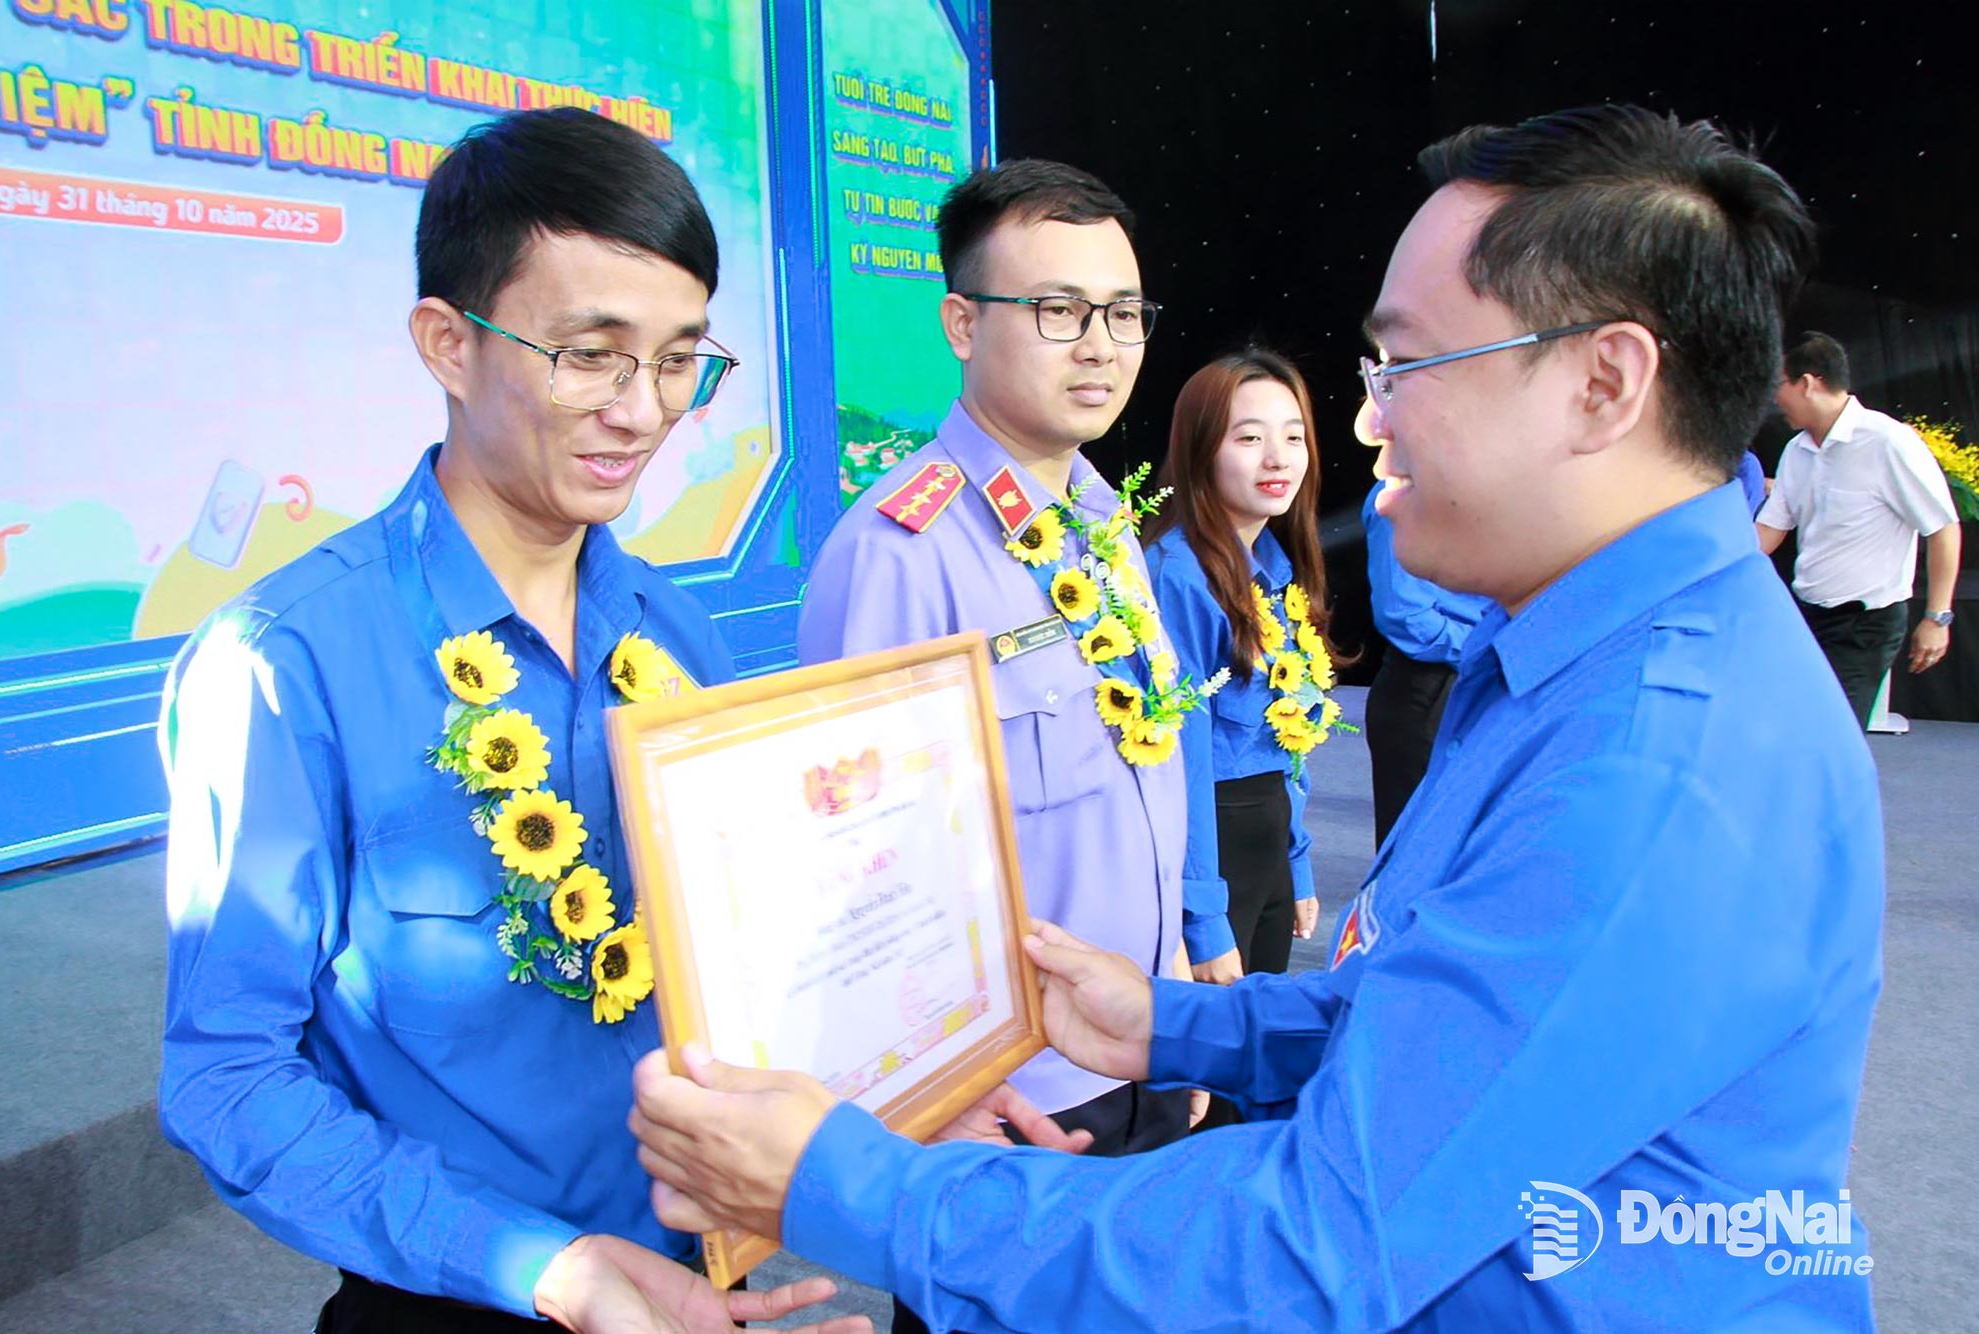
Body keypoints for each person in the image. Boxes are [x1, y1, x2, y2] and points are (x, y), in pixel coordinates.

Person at [630, 104, 1883, 1331]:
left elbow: (1316, 1241)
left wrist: (848, 1186)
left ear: (1601, 382)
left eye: (1404, 366)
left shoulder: (1651, 759)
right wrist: (1176, 1023)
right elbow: (1432, 1023)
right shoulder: (1595, 666)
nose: (1368, 420)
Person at [157, 108, 862, 1334]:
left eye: (678, 359)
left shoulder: (675, 636)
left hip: (701, 1280)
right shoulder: (287, 660)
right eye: (590, 354)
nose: (642, 411)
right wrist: (538, 1262)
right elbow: (226, 1074)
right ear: (447, 342)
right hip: (466, 1294)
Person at [794, 158, 1200, 1332]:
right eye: (1058, 310)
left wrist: (1178, 1008)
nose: (1100, 346)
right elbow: (851, 866)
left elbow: (1139, 784)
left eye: (1122, 312)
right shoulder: (899, 551)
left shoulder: (1103, 523)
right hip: (1012, 1109)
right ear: (962, 325)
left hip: (1141, 1053)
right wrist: (929, 1100)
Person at [1144, 348, 1337, 1000]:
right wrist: (1202, 920)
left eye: (1293, 437)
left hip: (1267, 841)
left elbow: (1286, 737)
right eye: (1250, 438)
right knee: (1210, 1052)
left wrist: (1296, 861)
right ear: (1200, 450)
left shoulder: (1276, 567)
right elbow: (1183, 756)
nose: (1277, 458)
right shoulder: (1179, 576)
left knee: (1256, 1043)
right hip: (1214, 852)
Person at [1757, 331, 1961, 727]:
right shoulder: (1797, 450)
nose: (1775, 399)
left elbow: (1942, 529)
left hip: (1863, 625)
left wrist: (1937, 618)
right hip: (1806, 615)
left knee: (1832, 734)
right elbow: (1769, 529)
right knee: (1790, 729)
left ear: (1808, 383)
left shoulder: (1887, 442)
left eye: (1779, 385)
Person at [1359, 475, 1490, 847]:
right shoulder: (1402, 490)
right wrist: (1489, 644)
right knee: (1418, 847)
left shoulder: (1493, 483)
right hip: (1429, 686)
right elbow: (1404, 614)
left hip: (1484, 680)